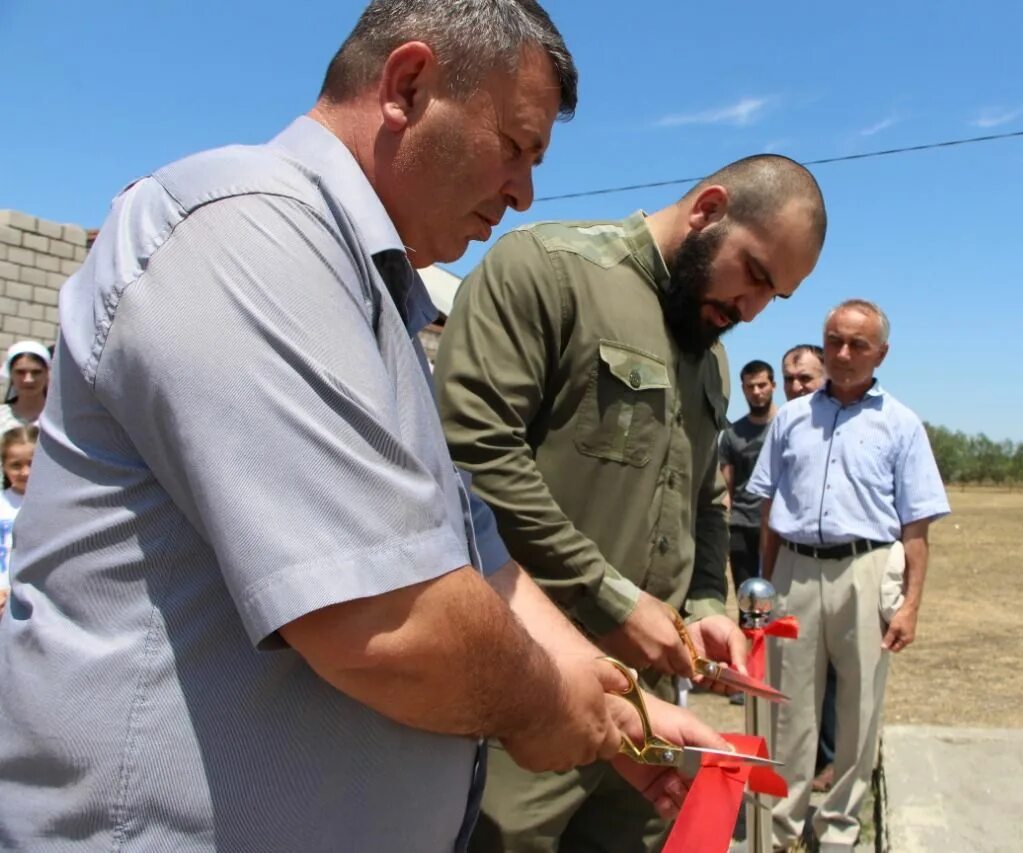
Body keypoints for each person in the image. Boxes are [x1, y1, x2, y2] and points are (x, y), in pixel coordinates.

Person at [0, 3, 722, 850]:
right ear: (407, 86)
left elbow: (479, 559)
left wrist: (617, 709)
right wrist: (551, 708)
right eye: (516, 147)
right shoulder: (246, 229)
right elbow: (386, 622)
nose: (525, 191)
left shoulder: (368, 294)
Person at [436, 154, 828, 851]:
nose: (752, 310)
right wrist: (612, 601)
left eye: (775, 299)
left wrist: (706, 603)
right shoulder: (549, 270)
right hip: (527, 691)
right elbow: (475, 458)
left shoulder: (710, 358)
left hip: (647, 711)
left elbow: (708, 494)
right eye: (756, 275)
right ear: (709, 209)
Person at [747, 300, 950, 850]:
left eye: (857, 344)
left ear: (881, 353)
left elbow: (916, 526)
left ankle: (838, 827)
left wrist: (910, 605)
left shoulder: (901, 424)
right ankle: (780, 827)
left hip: (867, 570)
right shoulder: (792, 417)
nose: (842, 353)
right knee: (787, 705)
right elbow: (767, 509)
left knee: (860, 707)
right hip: (793, 570)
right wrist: (762, 586)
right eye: (833, 340)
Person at [779, 342, 840, 793]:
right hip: (792, 563)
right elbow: (766, 502)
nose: (797, 386)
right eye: (791, 378)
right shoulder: (784, 424)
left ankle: (833, 761)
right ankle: (793, 771)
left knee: (839, 675)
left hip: (850, 566)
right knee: (792, 676)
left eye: (806, 377)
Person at [720, 359, 777, 592]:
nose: (756, 392)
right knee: (748, 600)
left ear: (773, 385)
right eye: (750, 386)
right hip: (742, 528)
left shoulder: (786, 426)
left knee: (779, 602)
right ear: (742, 388)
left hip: (777, 526)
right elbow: (726, 488)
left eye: (762, 385)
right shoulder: (732, 435)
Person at [0, 425, 36, 618]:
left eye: (31, 463)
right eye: (16, 464)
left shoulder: (48, 504)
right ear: (4, 466)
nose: (25, 472)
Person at [0, 341, 50, 433]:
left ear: (47, 374)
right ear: (10, 374)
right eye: (20, 372)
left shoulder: (61, 420)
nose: (28, 380)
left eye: (36, 372)